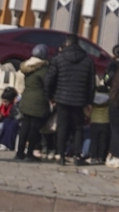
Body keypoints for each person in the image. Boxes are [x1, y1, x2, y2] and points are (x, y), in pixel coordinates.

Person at [45, 34, 95, 166]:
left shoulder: (58, 59)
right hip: (80, 99)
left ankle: (61, 156)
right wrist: (89, 101)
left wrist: (50, 96)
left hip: (61, 98)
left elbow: (49, 80)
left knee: (62, 127)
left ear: (66, 43)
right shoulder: (88, 60)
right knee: (78, 128)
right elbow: (91, 84)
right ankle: (77, 156)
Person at [16, 44, 50, 162]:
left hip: (26, 99)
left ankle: (20, 152)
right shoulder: (43, 69)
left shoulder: (27, 66)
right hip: (38, 101)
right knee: (34, 129)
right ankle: (30, 153)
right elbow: (48, 84)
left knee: (25, 127)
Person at [88, 83, 111, 164]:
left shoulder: (93, 98)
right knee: (103, 141)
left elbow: (89, 110)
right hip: (105, 122)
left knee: (94, 141)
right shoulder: (109, 99)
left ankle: (94, 157)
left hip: (94, 121)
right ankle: (101, 157)